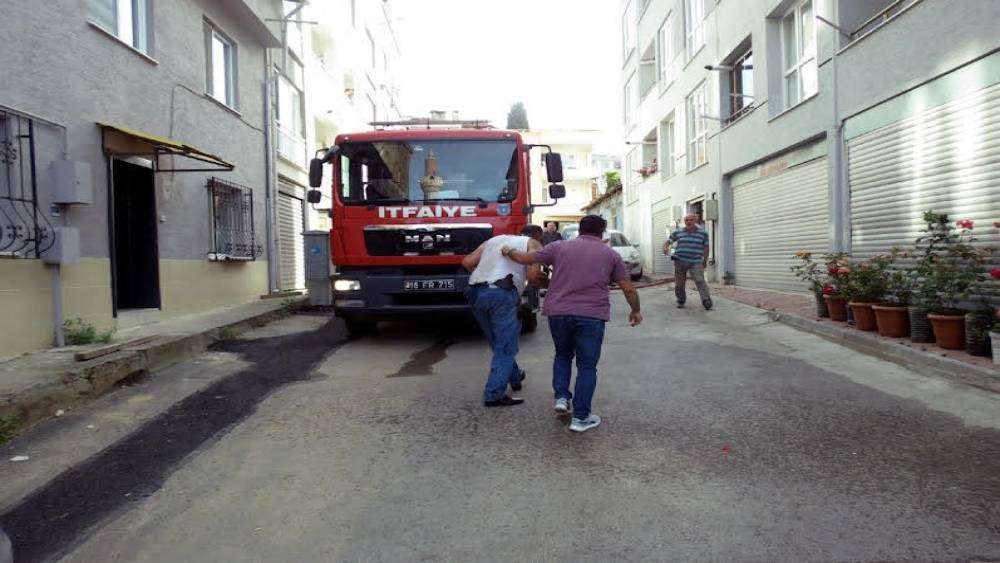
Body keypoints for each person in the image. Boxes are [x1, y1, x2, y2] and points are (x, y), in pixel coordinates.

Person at [503, 215, 642, 432]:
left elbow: (524, 258)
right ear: (602, 232)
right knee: (587, 366)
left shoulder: (559, 247)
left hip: (558, 313)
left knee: (563, 355)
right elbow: (629, 288)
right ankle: (581, 418)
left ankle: (561, 398)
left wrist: (508, 251)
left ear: (580, 230)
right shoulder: (610, 254)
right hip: (591, 315)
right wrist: (635, 310)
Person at [462, 225, 546, 407]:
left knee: (497, 341)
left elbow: (467, 262)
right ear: (539, 237)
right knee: (506, 346)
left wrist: (486, 277)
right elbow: (533, 276)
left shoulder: (493, 240)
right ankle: (494, 394)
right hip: (501, 293)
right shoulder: (533, 244)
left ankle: (514, 376)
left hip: (475, 291)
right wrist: (546, 282)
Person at [665, 214, 712, 310]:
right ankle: (681, 300)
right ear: (684, 221)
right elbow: (668, 241)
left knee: (699, 280)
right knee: (679, 283)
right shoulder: (678, 232)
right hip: (680, 260)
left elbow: (706, 248)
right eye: (687, 220)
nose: (689, 222)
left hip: (696, 261)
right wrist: (665, 247)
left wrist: (705, 261)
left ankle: (706, 300)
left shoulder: (703, 233)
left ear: (695, 221)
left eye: (691, 220)